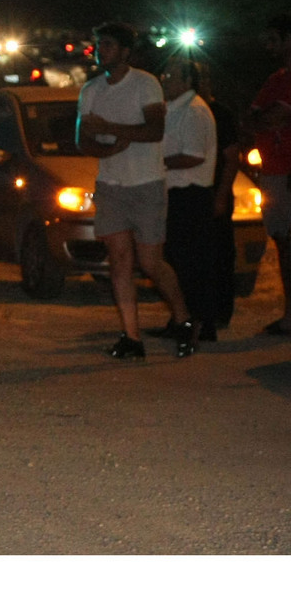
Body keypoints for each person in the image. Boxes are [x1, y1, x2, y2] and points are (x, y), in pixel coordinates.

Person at [76, 21, 190, 359]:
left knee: (151, 262)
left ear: (125, 51)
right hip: (111, 185)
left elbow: (154, 130)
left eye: (108, 44)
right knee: (119, 261)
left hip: (146, 183)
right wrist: (106, 147)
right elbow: (84, 139)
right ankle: (131, 336)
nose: (101, 50)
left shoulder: (145, 84)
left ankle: (184, 319)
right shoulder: (91, 89)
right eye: (99, 44)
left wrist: (110, 129)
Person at [152, 55, 217, 357]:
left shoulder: (193, 111)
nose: (165, 80)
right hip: (178, 193)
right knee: (178, 259)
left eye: (172, 75)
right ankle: (182, 320)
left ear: (188, 81)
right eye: (165, 75)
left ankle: (198, 323)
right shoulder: (176, 109)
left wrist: (156, 163)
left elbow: (193, 155)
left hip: (190, 194)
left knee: (190, 261)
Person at [248, 14, 291, 336]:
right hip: (274, 170)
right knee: (282, 244)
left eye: (274, 39)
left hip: (286, 171)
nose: (267, 47)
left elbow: (265, 118)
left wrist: (268, 117)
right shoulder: (276, 79)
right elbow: (253, 119)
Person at [198, 62, 240, 335]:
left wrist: (221, 196)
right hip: (194, 191)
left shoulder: (219, 114)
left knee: (219, 256)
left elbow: (231, 158)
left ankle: (218, 313)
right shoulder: (184, 111)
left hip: (213, 191)